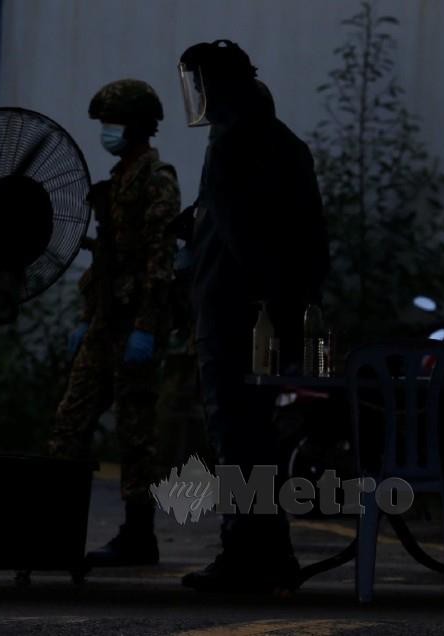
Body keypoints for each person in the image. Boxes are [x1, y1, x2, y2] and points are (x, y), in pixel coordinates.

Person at [176, 40, 328, 593]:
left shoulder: (232, 143)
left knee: (236, 436)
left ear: (216, 87)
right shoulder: (284, 142)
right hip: (271, 314)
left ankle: (247, 554)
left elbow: (242, 236)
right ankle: (271, 553)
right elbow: (308, 237)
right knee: (255, 436)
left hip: (231, 312)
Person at [49, 79, 180, 566]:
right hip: (106, 321)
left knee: (135, 433)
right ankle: (59, 529)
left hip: (135, 326)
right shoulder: (121, 177)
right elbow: (106, 261)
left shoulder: (156, 179)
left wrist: (147, 326)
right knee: (69, 423)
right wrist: (87, 317)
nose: (107, 133)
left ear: (140, 127)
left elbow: (160, 260)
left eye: (114, 125)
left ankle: (139, 534)